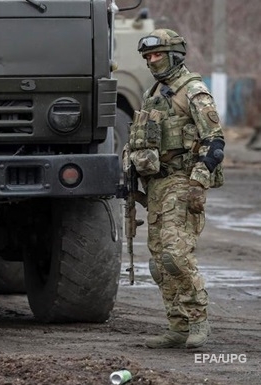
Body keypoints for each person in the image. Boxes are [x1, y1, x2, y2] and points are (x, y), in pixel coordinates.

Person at [127, 28, 225, 349]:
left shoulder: (193, 91)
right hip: (156, 185)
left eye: (157, 55)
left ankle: (199, 321)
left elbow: (214, 142)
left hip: (182, 182)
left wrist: (198, 183)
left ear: (175, 55)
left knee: (175, 256)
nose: (152, 61)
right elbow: (141, 140)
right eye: (148, 57)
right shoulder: (154, 93)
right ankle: (177, 325)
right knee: (157, 263)